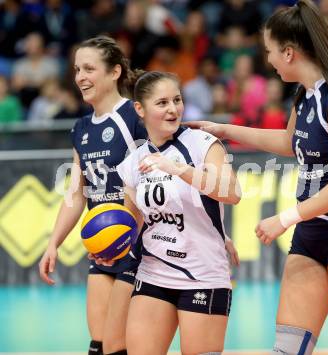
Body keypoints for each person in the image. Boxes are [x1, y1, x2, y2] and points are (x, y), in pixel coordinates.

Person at [186, 2, 328, 355]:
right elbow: (290, 142)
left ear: (289, 52)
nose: (269, 60)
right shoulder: (306, 95)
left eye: (270, 51)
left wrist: (285, 218)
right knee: (288, 351)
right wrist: (225, 130)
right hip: (312, 234)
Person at [116, 71, 241, 355]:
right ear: (140, 109)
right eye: (162, 103)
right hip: (153, 273)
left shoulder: (201, 143)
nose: (173, 109)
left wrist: (178, 169)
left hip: (202, 274)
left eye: (177, 100)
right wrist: (110, 246)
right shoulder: (134, 161)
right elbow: (132, 221)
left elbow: (232, 192)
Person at [38, 36, 147, 355]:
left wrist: (125, 235)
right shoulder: (81, 128)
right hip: (103, 246)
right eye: (76, 70)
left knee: (122, 346)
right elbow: (76, 192)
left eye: (89, 68)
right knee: (99, 346)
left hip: (136, 243)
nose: (80, 77)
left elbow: (150, 180)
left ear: (114, 72)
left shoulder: (133, 116)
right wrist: (52, 243)